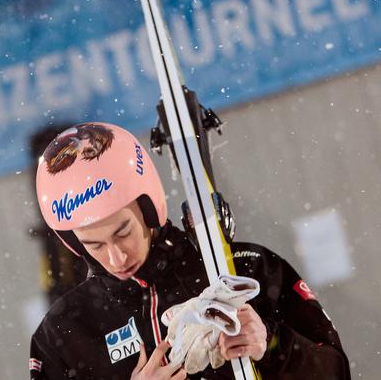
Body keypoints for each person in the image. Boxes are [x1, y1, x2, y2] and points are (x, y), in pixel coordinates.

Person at [29, 122, 350, 379]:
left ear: (149, 207)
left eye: (122, 231)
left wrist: (272, 343)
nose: (116, 258)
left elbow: (336, 371)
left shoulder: (245, 269)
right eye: (93, 245)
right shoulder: (64, 331)